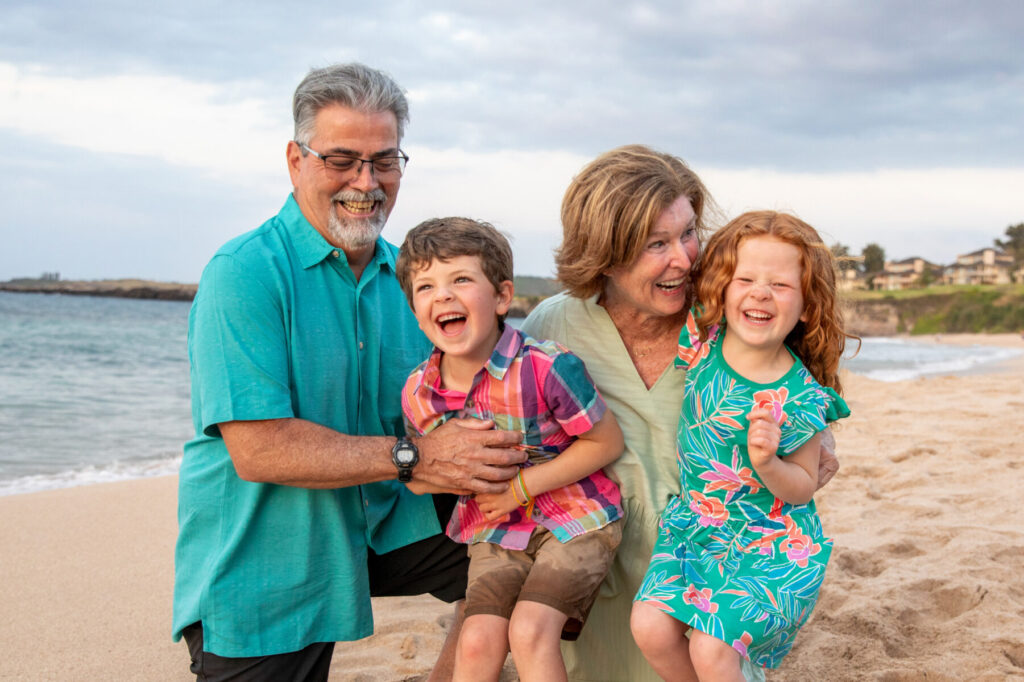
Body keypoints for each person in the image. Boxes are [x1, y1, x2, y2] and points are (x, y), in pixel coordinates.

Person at [172, 63, 525, 681]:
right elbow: (260, 451)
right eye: (342, 159)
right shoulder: (243, 273)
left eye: (384, 161)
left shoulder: (416, 282)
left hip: (391, 520)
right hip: (270, 549)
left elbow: (488, 378)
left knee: (532, 559)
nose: (366, 182)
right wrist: (418, 457)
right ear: (295, 160)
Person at [521, 145, 840, 682]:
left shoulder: (725, 314)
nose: (686, 259)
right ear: (605, 254)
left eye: (689, 233)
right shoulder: (551, 331)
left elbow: (797, 358)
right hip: (597, 595)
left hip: (713, 595)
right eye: (656, 244)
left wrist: (817, 437)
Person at [396, 217, 625, 681]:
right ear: (415, 311)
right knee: (476, 640)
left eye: (461, 279)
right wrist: (421, 475)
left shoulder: (547, 367)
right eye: (426, 287)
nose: (442, 295)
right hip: (496, 534)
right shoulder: (419, 392)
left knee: (528, 630)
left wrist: (520, 485)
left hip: (575, 521)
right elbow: (425, 474)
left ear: (502, 297)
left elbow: (605, 441)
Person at [630, 211, 853, 678]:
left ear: (808, 305)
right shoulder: (703, 341)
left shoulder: (802, 397)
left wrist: (768, 462)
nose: (760, 292)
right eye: (745, 278)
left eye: (781, 285)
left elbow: (802, 488)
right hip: (694, 532)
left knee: (713, 650)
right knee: (649, 628)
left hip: (770, 548)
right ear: (722, 289)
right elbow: (670, 277)